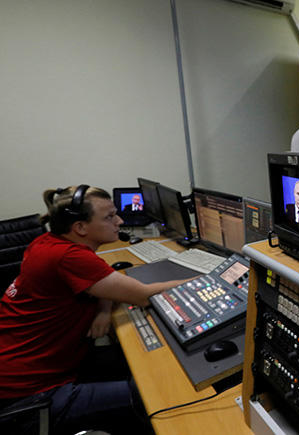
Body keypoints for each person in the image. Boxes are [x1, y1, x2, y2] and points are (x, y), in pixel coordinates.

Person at [0, 185, 192, 434]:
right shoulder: (69, 257)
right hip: (31, 393)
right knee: (158, 392)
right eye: (109, 217)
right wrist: (214, 277)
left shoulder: (46, 242)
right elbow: (143, 296)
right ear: (80, 227)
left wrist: (103, 309)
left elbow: (102, 279)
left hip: (36, 367)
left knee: (144, 365)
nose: (120, 221)